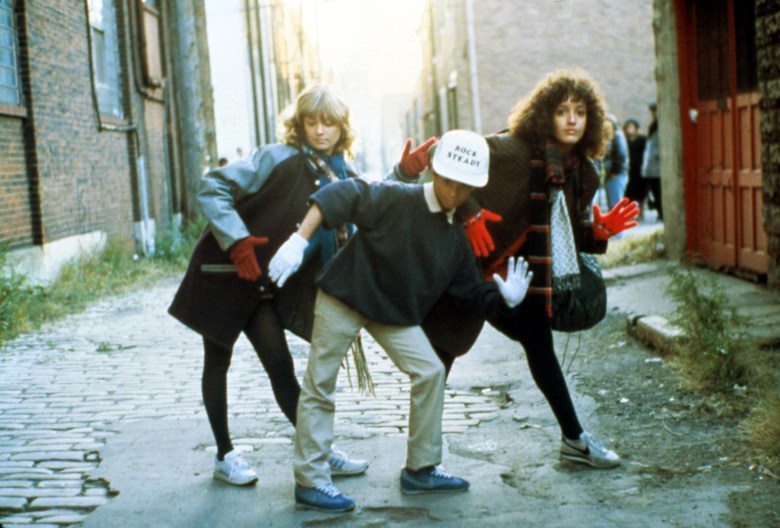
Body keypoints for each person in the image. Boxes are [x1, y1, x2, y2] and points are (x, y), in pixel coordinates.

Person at [267, 130, 533, 513]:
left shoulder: (457, 240)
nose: (454, 193)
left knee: (429, 371)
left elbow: (471, 293)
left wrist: (504, 298)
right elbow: (342, 194)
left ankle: (422, 468)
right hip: (346, 295)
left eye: (465, 187)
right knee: (320, 382)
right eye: (448, 181)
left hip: (391, 310)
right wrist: (299, 239)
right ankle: (310, 481)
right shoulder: (397, 197)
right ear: (433, 172)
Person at [407, 70, 638, 470]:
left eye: (580, 112)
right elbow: (443, 152)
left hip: (518, 279)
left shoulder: (585, 172)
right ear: (544, 115)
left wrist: (597, 232)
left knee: (539, 344)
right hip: (466, 269)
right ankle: (421, 461)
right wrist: (469, 211)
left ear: (591, 120)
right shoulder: (513, 149)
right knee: (439, 359)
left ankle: (574, 440)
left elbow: (567, 234)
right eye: (561, 110)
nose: (571, 119)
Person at [168, 84, 375, 486]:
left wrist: (406, 173)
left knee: (280, 366)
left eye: (328, 123)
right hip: (226, 270)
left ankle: (319, 450)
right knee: (218, 359)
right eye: (311, 122)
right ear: (298, 125)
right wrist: (238, 240)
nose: (319, 131)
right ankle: (225, 455)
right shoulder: (276, 157)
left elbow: (373, 199)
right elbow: (213, 186)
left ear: (342, 128)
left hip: (261, 284)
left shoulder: (338, 172)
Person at [601, 114, 629, 210]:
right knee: (612, 203)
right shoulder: (611, 136)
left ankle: (617, 224)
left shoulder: (617, 136)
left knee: (615, 204)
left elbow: (620, 155)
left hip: (616, 174)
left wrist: (615, 171)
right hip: (611, 174)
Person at [641, 102, 662, 221]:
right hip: (652, 166)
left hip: (658, 166)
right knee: (655, 191)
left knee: (659, 191)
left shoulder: (660, 125)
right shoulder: (654, 125)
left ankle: (662, 213)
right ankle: (659, 211)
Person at [622, 118, 648, 214]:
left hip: (640, 169)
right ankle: (629, 213)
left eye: (632, 127)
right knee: (629, 194)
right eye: (628, 127)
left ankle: (641, 212)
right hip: (630, 169)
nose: (630, 129)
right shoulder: (625, 140)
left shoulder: (642, 140)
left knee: (641, 192)